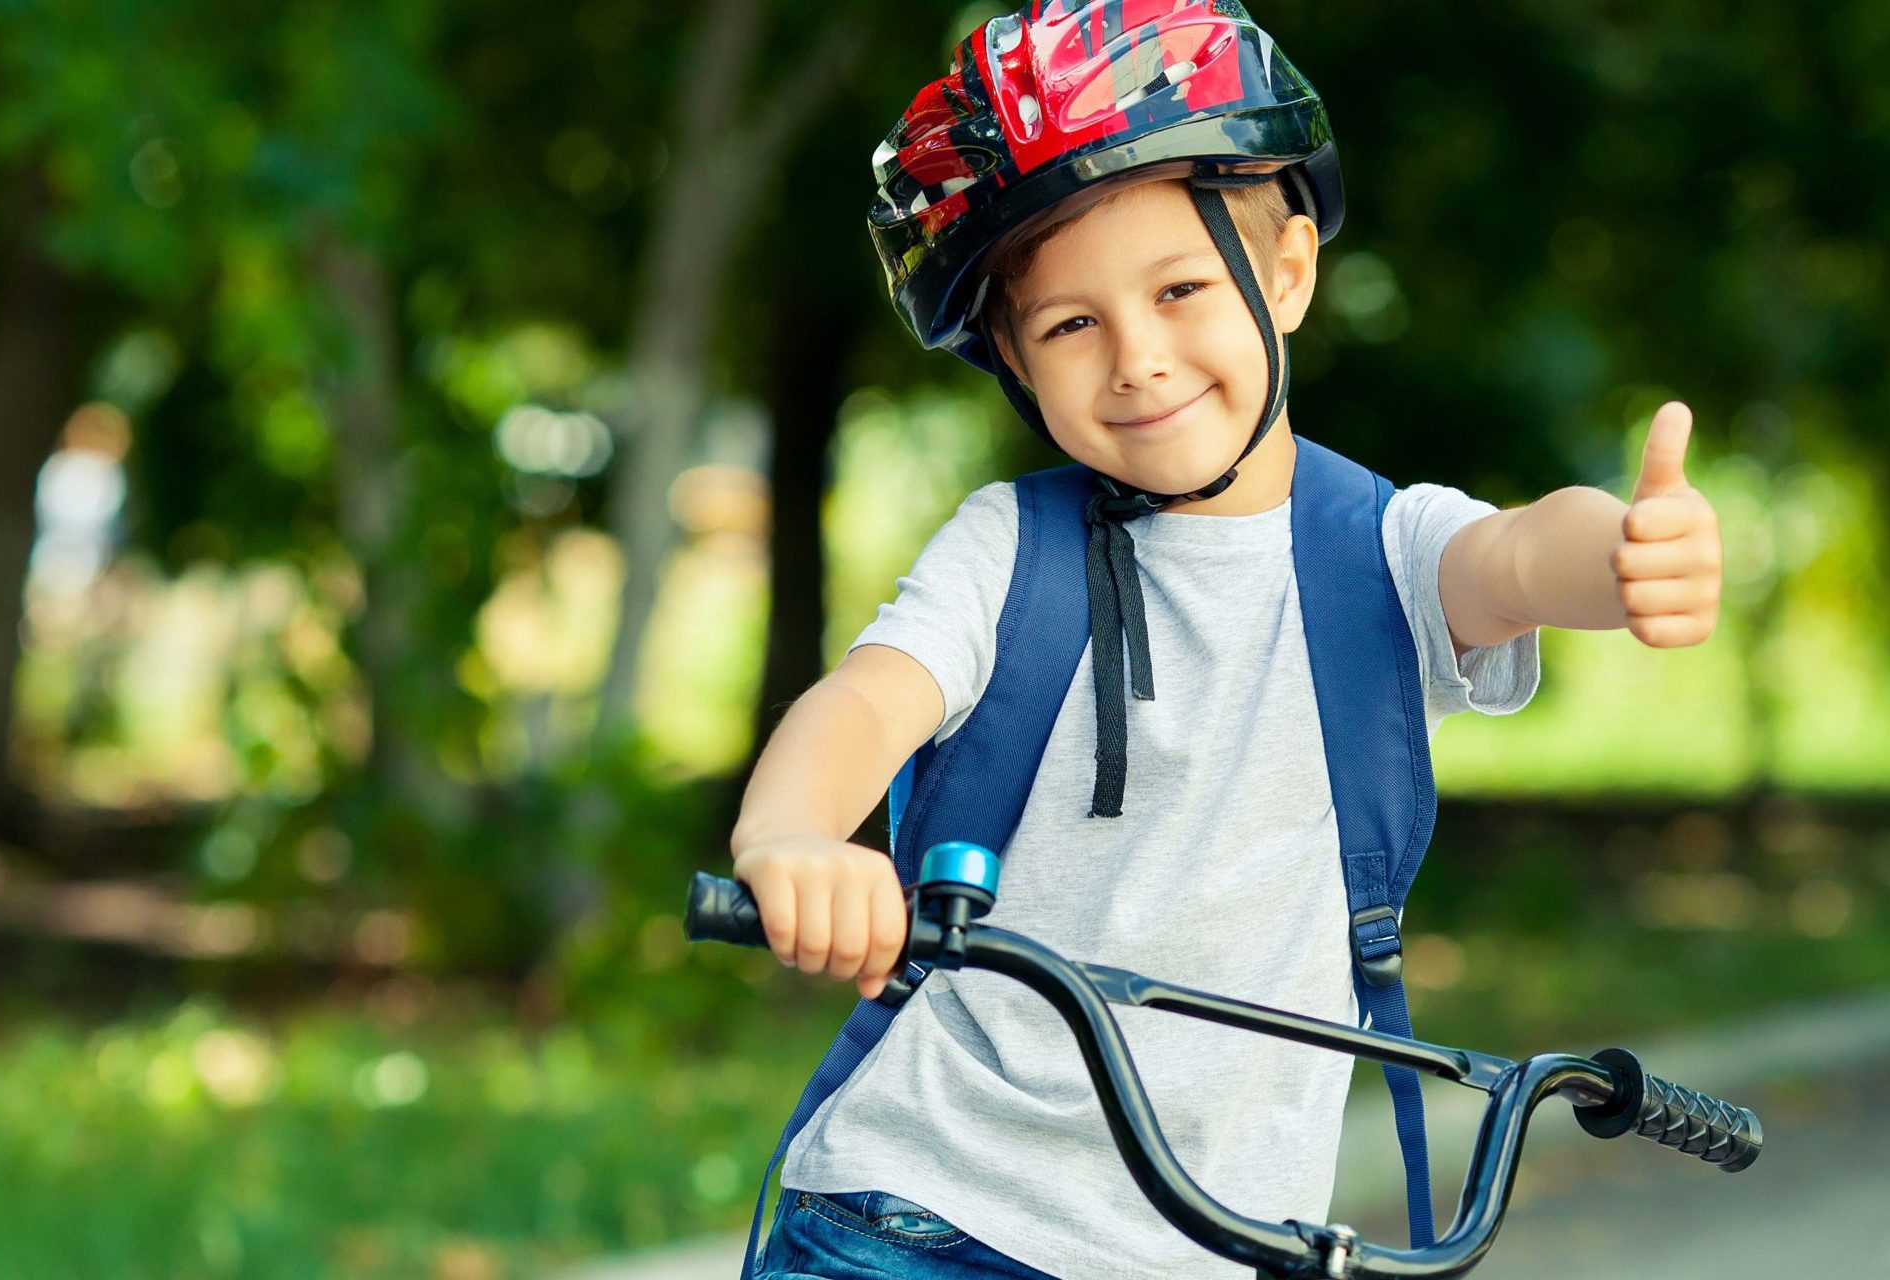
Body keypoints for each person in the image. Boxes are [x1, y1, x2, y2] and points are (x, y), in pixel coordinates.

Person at [728, 3, 1723, 1277]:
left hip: (1219, 1241)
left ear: (1289, 273)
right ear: (1017, 364)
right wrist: (795, 837)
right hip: (926, 1211)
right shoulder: (1004, 548)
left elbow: (1518, 556)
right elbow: (865, 703)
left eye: (1181, 289)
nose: (1138, 358)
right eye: (1071, 325)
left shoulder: (1381, 549)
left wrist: (1623, 556)